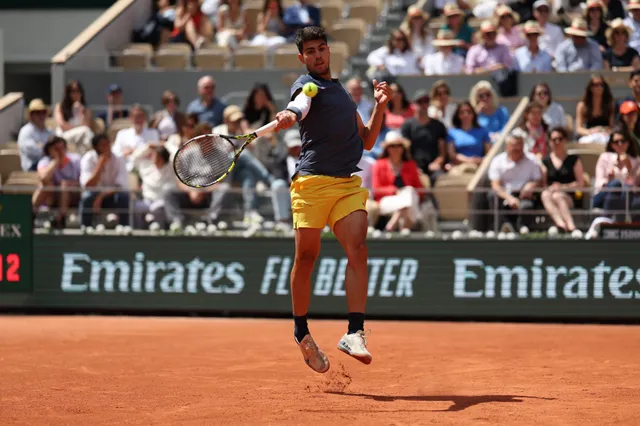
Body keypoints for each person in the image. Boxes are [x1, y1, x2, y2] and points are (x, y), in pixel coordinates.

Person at [272, 26, 392, 373]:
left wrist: (380, 106)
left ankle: (354, 331)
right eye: (310, 51)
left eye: (322, 49)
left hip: (346, 185)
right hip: (311, 184)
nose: (318, 55)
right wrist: (290, 114)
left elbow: (367, 140)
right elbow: (300, 104)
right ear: (302, 58)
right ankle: (301, 332)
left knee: (358, 249)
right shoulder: (305, 85)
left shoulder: (341, 91)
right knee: (306, 258)